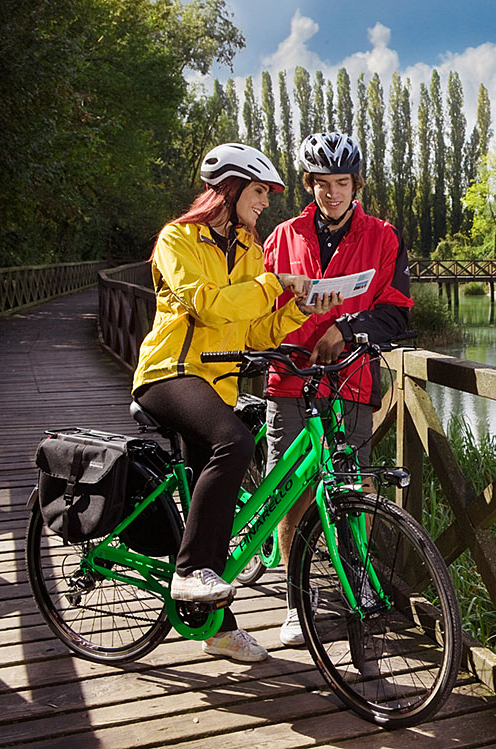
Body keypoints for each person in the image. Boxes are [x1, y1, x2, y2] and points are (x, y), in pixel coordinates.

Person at [131, 143, 340, 663]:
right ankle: (188, 573)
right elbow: (206, 305)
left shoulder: (250, 250)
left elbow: (252, 332)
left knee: (218, 511)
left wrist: (300, 308)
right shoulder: (177, 239)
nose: (266, 202)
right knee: (236, 442)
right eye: (260, 191)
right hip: (169, 373)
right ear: (230, 188)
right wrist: (274, 283)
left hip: (218, 385)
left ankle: (217, 627)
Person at [263, 132, 413, 647]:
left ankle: (356, 583)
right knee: (295, 491)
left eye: (342, 183)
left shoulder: (383, 236)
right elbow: (256, 307)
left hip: (350, 378)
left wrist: (346, 329)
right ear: (309, 185)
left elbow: (397, 312)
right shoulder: (282, 237)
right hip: (290, 377)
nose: (332, 194)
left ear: (356, 184)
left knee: (353, 487)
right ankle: (295, 600)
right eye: (323, 184)